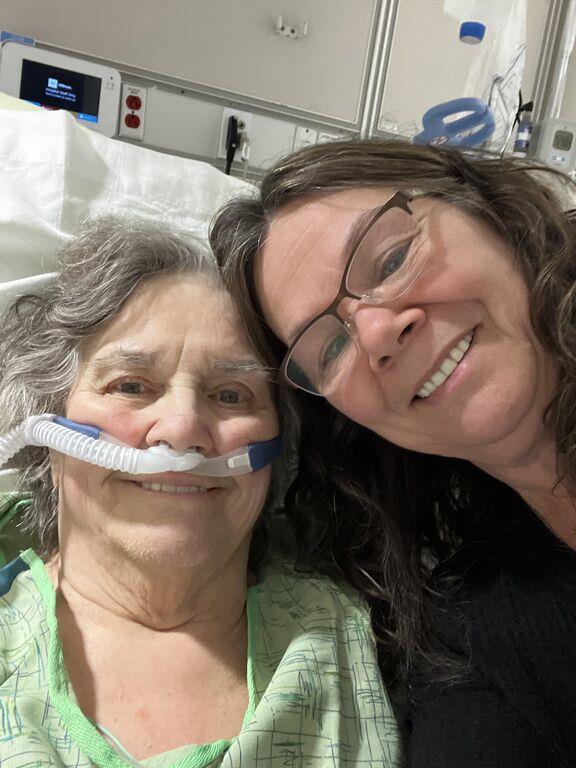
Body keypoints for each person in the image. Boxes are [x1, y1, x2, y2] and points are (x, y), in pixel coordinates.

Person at [209, 139, 576, 768]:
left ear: (486, 210)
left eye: (393, 258)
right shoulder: (472, 634)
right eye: (329, 348)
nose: (378, 333)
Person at [0, 219, 402, 768]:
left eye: (231, 395)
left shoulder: (356, 627)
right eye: (130, 385)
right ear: (47, 435)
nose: (183, 429)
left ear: (278, 450)